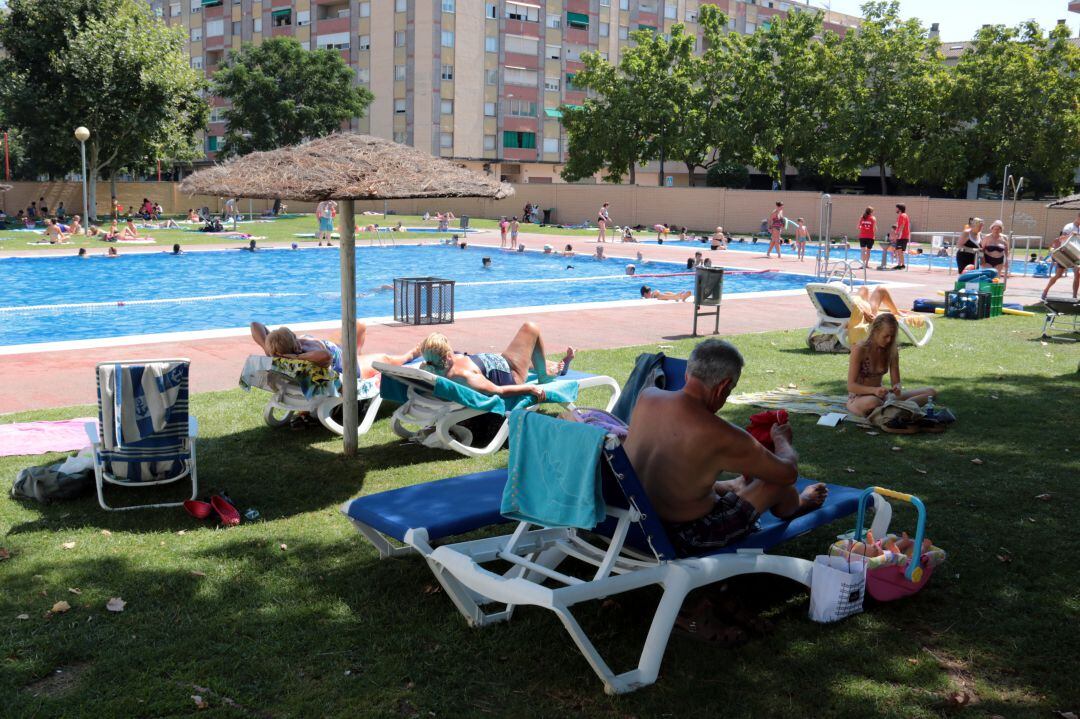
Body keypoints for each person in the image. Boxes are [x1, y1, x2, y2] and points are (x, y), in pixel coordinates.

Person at [624, 339, 826, 561]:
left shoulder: (648, 396)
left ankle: (735, 485)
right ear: (723, 386)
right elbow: (788, 473)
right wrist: (782, 442)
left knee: (692, 472)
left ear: (687, 374)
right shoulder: (720, 434)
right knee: (774, 483)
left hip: (635, 522)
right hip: (685, 537)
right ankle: (799, 504)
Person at [418, 322, 574, 400]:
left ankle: (557, 367)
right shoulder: (464, 376)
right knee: (531, 328)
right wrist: (530, 389)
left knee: (531, 355)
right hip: (513, 375)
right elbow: (498, 391)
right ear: (447, 356)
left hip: (501, 362)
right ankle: (544, 375)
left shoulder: (429, 366)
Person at [252, 321, 420, 384]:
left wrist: (266, 347)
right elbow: (326, 356)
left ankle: (359, 355)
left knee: (358, 326)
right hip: (350, 367)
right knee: (385, 359)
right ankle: (411, 354)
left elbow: (255, 324)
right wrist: (297, 356)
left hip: (337, 348)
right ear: (295, 346)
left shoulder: (275, 352)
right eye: (295, 338)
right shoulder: (308, 353)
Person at [845, 314, 937, 420]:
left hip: (884, 398)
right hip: (859, 398)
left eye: (892, 336)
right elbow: (851, 386)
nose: (889, 340)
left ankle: (899, 409)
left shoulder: (892, 350)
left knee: (931, 393)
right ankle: (901, 409)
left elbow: (896, 384)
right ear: (875, 332)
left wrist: (897, 387)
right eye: (886, 336)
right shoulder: (860, 349)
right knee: (874, 402)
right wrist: (874, 390)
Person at [1041, 214, 1080, 299]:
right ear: (1078, 217)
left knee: (1077, 274)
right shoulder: (1069, 227)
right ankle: (1045, 290)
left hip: (1076, 255)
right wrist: (1071, 235)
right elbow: (1061, 238)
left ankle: (1074, 296)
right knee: (1058, 275)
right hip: (1065, 254)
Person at [893, 204, 911, 269]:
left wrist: (897, 234)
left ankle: (902, 265)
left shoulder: (902, 215)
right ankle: (900, 264)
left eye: (896, 208)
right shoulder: (904, 215)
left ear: (899, 209)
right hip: (904, 236)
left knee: (899, 251)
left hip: (902, 236)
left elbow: (902, 225)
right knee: (900, 251)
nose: (895, 209)